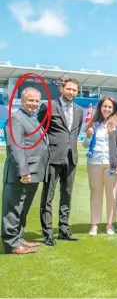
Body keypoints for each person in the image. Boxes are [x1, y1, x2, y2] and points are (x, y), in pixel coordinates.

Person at [1, 88, 49, 254]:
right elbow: (15, 147)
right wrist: (23, 171)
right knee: (13, 208)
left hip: (33, 172)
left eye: (37, 101)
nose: (34, 104)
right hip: (21, 174)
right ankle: (11, 244)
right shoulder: (16, 118)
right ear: (22, 101)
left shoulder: (31, 119)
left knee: (22, 208)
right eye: (30, 100)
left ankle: (19, 238)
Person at [38, 78, 84, 246]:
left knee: (67, 194)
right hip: (53, 157)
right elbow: (39, 127)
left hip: (71, 158)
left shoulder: (79, 110)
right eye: (69, 89)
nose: (71, 92)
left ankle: (64, 229)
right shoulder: (49, 106)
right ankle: (48, 233)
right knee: (48, 195)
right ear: (62, 89)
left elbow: (75, 132)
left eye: (74, 90)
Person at [83, 96, 117, 236]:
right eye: (105, 106)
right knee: (95, 193)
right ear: (100, 107)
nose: (107, 109)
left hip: (111, 164)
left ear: (114, 109)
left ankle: (109, 224)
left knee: (111, 195)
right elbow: (85, 145)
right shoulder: (94, 124)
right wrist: (88, 136)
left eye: (110, 107)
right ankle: (94, 224)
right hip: (94, 162)